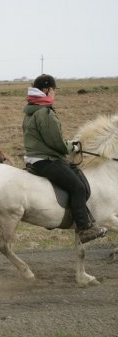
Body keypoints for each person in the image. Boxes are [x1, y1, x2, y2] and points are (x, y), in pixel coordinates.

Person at [22, 73, 107, 243]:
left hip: (35, 159)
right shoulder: (45, 113)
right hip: (46, 160)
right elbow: (56, 143)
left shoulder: (31, 111)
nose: (54, 93)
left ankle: (88, 220)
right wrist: (72, 146)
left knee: (77, 175)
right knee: (77, 188)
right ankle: (84, 228)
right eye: (53, 90)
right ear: (46, 90)